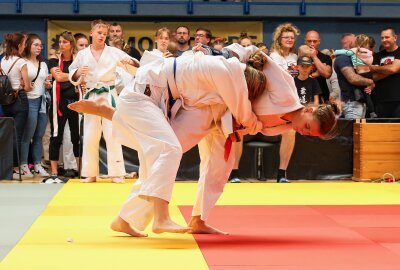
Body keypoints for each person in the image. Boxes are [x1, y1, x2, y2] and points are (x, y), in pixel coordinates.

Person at [69, 20, 139, 184]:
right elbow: (72, 73)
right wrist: (78, 72)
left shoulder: (114, 52)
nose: (102, 36)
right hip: (92, 95)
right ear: (91, 33)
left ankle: (117, 172)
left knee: (112, 133)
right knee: (91, 134)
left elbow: (135, 66)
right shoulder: (82, 54)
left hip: (109, 94)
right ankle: (90, 173)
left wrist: (131, 62)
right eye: (99, 33)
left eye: (104, 34)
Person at [44, 31, 81, 184]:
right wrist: (74, 75)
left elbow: (83, 77)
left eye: (65, 42)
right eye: (60, 42)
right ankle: (54, 172)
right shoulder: (53, 61)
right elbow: (58, 77)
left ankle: (81, 170)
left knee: (76, 137)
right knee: (55, 137)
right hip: (58, 103)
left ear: (71, 44)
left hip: (75, 102)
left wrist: (71, 76)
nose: (62, 45)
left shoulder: (78, 61)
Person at [269, 22, 300, 183]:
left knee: (290, 132)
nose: (289, 39)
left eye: (292, 37)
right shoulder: (273, 56)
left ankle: (282, 172)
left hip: (292, 101)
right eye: (286, 37)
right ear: (279, 39)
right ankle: (234, 173)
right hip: (276, 101)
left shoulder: (295, 57)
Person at [20, 33, 52, 178]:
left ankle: (38, 165)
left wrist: (47, 84)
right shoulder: (23, 62)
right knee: (27, 135)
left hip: (43, 101)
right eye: (36, 45)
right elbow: (19, 82)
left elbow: (46, 84)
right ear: (28, 46)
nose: (39, 48)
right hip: (29, 100)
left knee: (39, 135)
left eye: (41, 45)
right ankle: (24, 165)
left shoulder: (44, 64)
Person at [1, 32, 31, 180]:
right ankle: (15, 168)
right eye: (24, 43)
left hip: (6, 101)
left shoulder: (3, 60)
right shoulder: (21, 62)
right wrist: (28, 85)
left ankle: (6, 168)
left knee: (7, 135)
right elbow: (27, 86)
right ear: (19, 45)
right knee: (18, 135)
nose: (25, 46)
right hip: (20, 100)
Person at [335, 34, 377, 118]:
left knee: (360, 130)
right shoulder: (343, 58)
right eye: (356, 40)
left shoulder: (358, 55)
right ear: (350, 42)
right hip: (352, 103)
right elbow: (353, 79)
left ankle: (372, 111)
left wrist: (370, 84)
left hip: (361, 103)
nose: (359, 44)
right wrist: (371, 82)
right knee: (353, 130)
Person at [369, 27, 400, 118]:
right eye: (382, 38)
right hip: (380, 100)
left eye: (387, 37)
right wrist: (393, 70)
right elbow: (373, 77)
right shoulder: (377, 56)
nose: (384, 40)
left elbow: (393, 69)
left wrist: (374, 68)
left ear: (395, 38)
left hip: (398, 98)